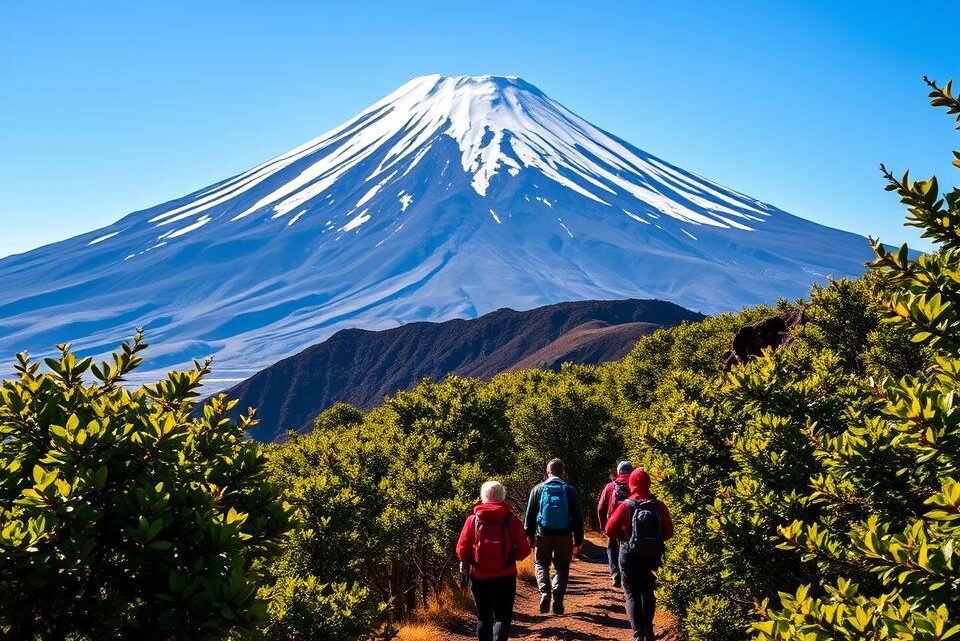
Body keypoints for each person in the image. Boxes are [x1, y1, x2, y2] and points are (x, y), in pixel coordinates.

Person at [604, 467, 674, 641]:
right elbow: (669, 532)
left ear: (631, 483)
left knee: (632, 593)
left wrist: (624, 536)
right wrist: (653, 542)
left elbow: (609, 530)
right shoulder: (658, 505)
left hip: (629, 555)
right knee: (648, 592)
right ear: (648, 483)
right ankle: (648, 630)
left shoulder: (626, 505)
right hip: (653, 556)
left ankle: (637, 634)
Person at [456, 480, 531, 641]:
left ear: (483, 497)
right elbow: (525, 549)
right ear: (502, 497)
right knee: (502, 617)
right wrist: (510, 558)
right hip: (506, 576)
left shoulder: (473, 520)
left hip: (479, 576)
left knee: (484, 617)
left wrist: (466, 561)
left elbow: (462, 548)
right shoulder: (511, 519)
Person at [523, 458, 584, 615]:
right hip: (564, 535)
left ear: (547, 471)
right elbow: (578, 517)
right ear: (562, 472)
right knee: (562, 567)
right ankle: (558, 596)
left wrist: (528, 535)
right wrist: (578, 541)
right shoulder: (569, 490)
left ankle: (545, 592)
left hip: (543, 535)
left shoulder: (538, 489)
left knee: (540, 564)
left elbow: (529, 516)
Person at [597, 460, 634, 587]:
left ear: (618, 472)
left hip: (613, 524)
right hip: (630, 525)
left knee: (612, 547)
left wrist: (604, 526)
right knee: (629, 548)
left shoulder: (610, 486)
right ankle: (627, 575)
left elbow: (601, 508)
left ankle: (615, 574)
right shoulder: (634, 485)